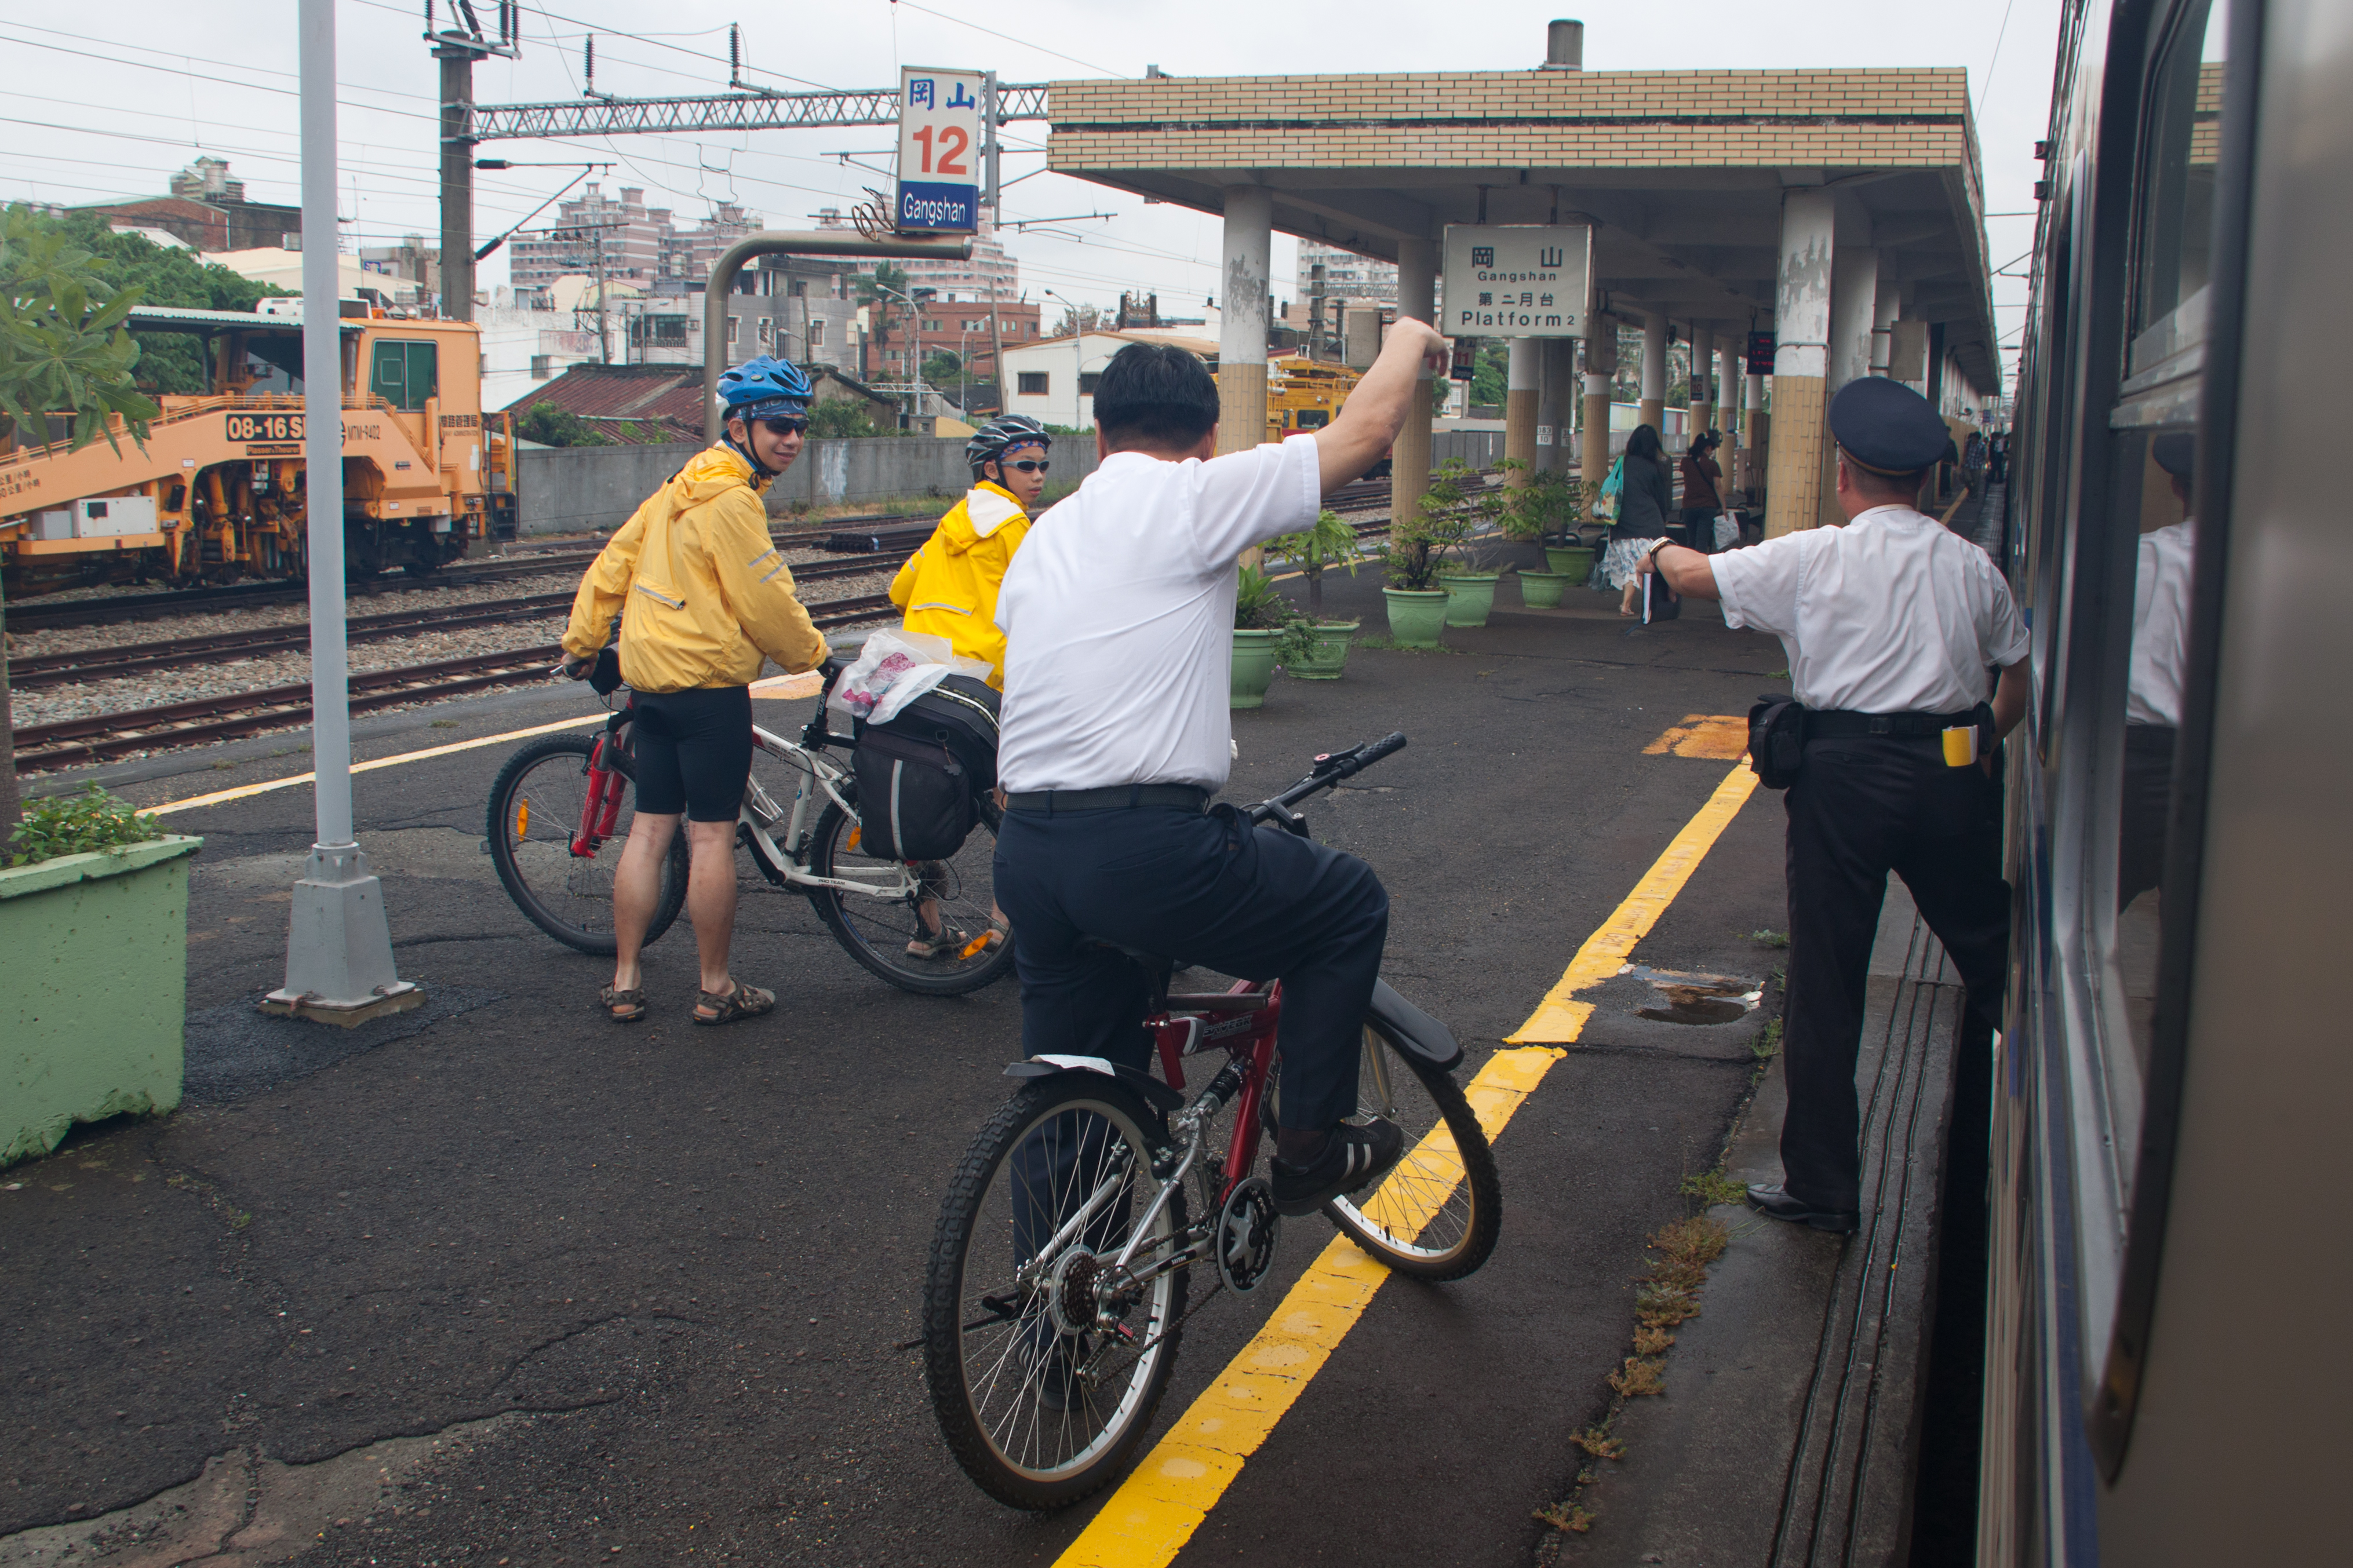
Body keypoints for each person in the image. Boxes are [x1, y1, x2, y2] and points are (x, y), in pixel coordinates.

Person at [991, 318, 1452, 1219]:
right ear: (1207, 440)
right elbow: (1365, 434)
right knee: (1347, 905)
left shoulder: (1046, 534)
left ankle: (1058, 1319)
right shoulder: (1193, 497)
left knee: (1074, 1087)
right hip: (1144, 847)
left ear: (1098, 436)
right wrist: (1404, 338)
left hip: (1030, 851)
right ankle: (1313, 1150)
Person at [1647, 376, 2031, 1234]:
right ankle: (2051, 1085)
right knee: (1993, 945)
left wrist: (1660, 550)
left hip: (1843, 781)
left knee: (1829, 980)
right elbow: (2018, 671)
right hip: (1948, 774)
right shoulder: (1973, 565)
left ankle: (1824, 1188)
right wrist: (1984, 742)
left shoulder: (1814, 554)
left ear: (1846, 474)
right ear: (1930, 482)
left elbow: (1700, 576)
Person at [558, 355, 830, 1027]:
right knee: (709, 840)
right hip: (709, 693)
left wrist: (583, 644)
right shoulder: (732, 501)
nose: (791, 438)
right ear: (740, 426)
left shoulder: (679, 485)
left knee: (649, 833)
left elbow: (612, 564)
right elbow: (766, 598)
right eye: (777, 425)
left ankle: (625, 983)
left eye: (798, 426)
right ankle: (715, 988)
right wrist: (818, 659)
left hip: (649, 689)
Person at [884, 415, 1050, 959]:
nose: (1039, 475)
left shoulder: (951, 523)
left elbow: (899, 589)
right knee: (1012, 807)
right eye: (1027, 465)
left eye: (1044, 465)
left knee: (923, 796)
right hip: (986, 687)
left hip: (920, 679)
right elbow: (1048, 601)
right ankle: (1004, 931)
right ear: (992, 468)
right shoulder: (1014, 528)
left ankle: (928, 930)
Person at [1602, 423, 1675, 617]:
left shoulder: (1622, 463)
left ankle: (1627, 605)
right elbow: (1663, 500)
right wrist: (1664, 520)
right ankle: (1661, 600)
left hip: (1622, 525)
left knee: (1631, 565)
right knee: (1653, 565)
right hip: (1650, 525)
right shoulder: (1655, 468)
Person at [1678, 430, 1728, 555]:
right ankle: (1699, 569)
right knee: (1702, 541)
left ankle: (1689, 567)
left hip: (1689, 507)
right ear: (1708, 447)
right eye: (1712, 449)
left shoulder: (1685, 462)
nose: (1712, 452)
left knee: (1691, 541)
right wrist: (1724, 507)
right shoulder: (1713, 464)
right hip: (1707, 507)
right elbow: (1718, 486)